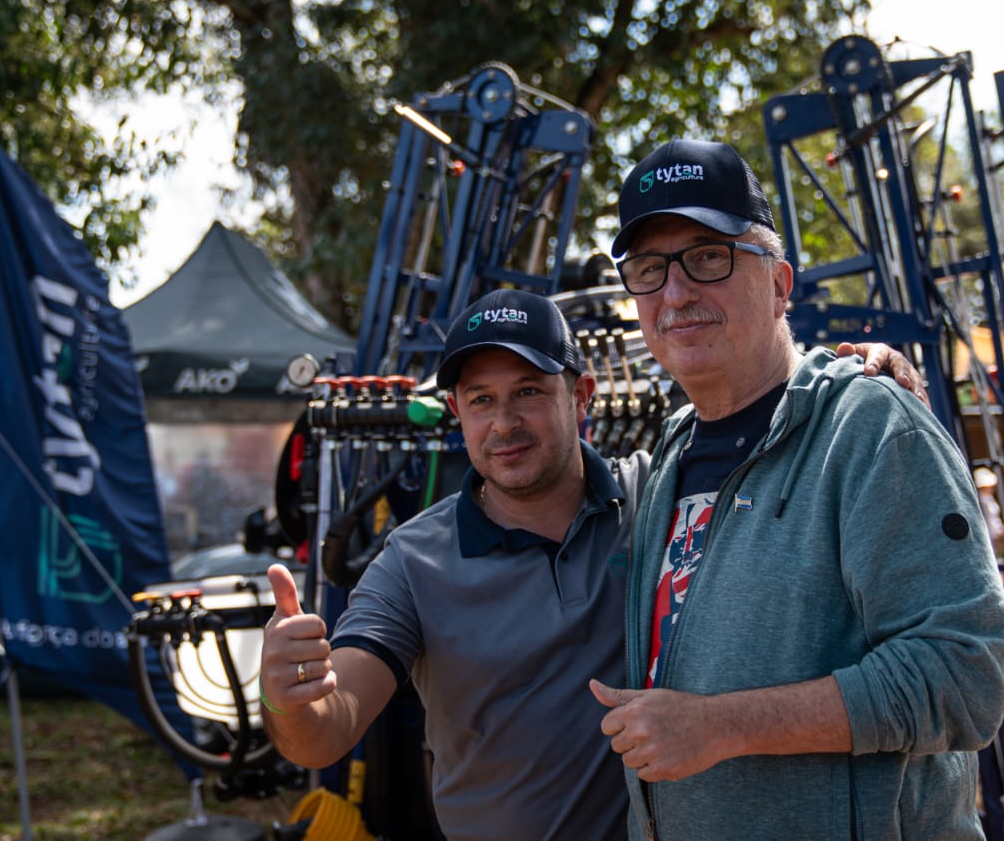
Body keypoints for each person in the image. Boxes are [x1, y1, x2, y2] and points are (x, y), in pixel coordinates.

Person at [257, 288, 924, 841]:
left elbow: (769, 431)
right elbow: (326, 732)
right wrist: (293, 699)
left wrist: (848, 389)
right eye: (481, 400)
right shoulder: (413, 560)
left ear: (582, 395)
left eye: (528, 392)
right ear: (456, 413)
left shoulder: (659, 498)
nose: (504, 423)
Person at [589, 139, 1004, 840]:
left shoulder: (871, 427)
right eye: (648, 269)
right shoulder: (672, 453)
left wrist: (721, 727)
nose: (675, 292)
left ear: (781, 283)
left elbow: (964, 675)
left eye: (707, 256)